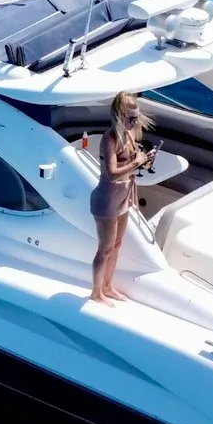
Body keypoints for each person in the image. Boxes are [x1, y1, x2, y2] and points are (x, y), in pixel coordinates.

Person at [88, 92, 151, 302]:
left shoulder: (130, 133)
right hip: (107, 200)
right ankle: (96, 293)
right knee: (105, 249)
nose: (135, 122)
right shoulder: (110, 138)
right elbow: (112, 174)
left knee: (116, 245)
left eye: (136, 117)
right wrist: (137, 162)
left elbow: (131, 170)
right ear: (119, 115)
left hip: (122, 199)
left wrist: (144, 160)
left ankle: (107, 286)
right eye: (131, 118)